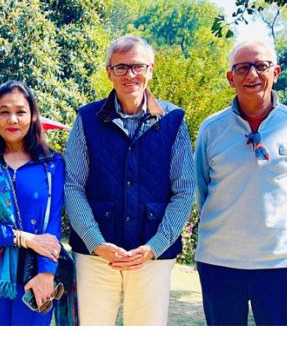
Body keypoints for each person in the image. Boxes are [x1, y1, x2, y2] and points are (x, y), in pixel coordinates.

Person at [65, 35, 195, 326]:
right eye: (121, 67)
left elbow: (185, 190)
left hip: (153, 256)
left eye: (137, 66)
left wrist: (155, 246)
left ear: (150, 69)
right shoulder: (86, 119)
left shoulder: (173, 120)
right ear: (109, 72)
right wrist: (96, 242)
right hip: (95, 255)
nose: (130, 75)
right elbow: (73, 186)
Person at [195, 41, 287, 326]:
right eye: (242, 68)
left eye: (260, 66)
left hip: (282, 263)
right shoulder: (212, 129)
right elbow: (202, 190)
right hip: (220, 262)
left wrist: (282, 235)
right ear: (230, 78)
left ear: (275, 72)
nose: (252, 75)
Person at [0, 81, 65, 326]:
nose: (12, 119)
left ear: (32, 116)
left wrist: (46, 273)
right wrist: (25, 238)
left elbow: (52, 225)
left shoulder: (51, 164)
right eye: (4, 112)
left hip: (35, 275)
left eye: (20, 111)